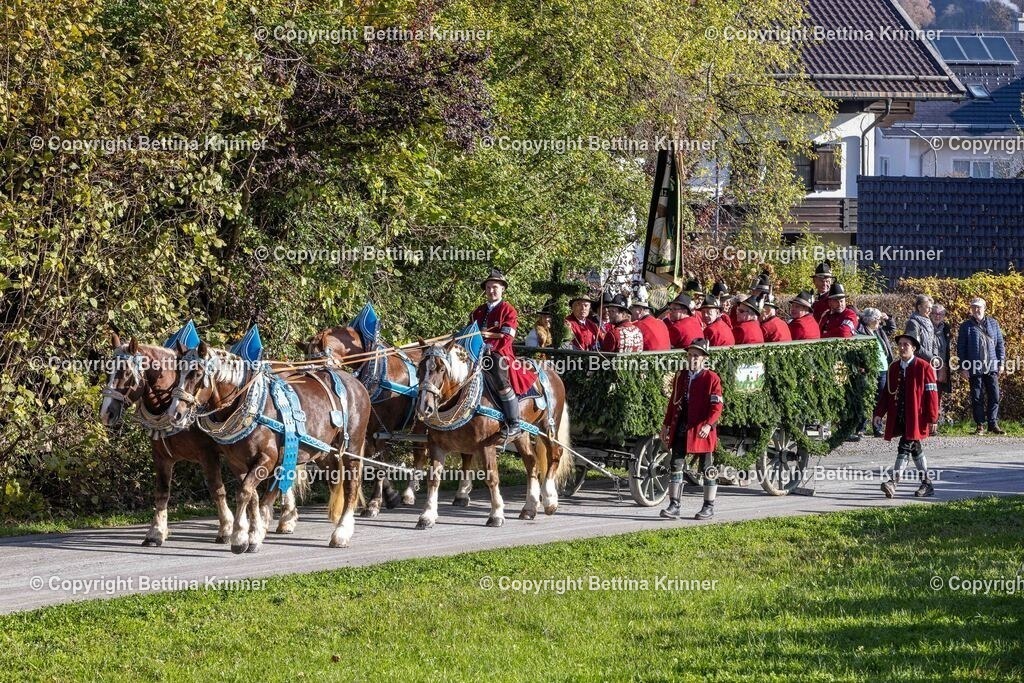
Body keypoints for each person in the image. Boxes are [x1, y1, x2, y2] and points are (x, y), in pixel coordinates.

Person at [659, 338, 724, 521]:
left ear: (704, 358)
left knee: (707, 467)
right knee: (676, 464)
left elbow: (717, 406)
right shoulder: (682, 376)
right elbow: (673, 403)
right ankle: (674, 505)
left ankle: (708, 506)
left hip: (702, 428)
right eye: (689, 355)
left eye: (696, 356)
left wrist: (708, 424)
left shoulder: (712, 378)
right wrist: (666, 425)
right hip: (682, 424)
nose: (692, 359)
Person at [471, 268, 538, 438]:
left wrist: (490, 342)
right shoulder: (477, 312)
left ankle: (513, 422)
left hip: (500, 352)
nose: (491, 290)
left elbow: (507, 336)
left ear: (502, 289)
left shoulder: (508, 310)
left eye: (495, 287)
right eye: (488, 288)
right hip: (475, 351)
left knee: (500, 376)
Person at [874, 330, 939, 498]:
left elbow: (932, 395)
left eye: (906, 345)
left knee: (904, 446)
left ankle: (893, 482)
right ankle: (927, 483)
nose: (902, 348)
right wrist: (879, 413)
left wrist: (933, 418)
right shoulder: (894, 367)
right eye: (900, 344)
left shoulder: (924, 367)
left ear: (914, 348)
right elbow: (887, 394)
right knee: (915, 449)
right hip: (900, 417)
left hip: (917, 417)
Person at [956, 297, 1006, 435]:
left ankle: (992, 423)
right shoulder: (965, 326)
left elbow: (1000, 344)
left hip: (992, 366)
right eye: (974, 307)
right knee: (977, 397)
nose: (976, 310)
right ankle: (980, 425)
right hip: (973, 366)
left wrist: (1001, 363)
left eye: (979, 307)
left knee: (994, 395)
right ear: (971, 309)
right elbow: (961, 348)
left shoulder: (994, 324)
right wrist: (963, 367)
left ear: (984, 308)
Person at [856, 308, 894, 439]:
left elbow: (892, 328)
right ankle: (860, 428)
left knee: (879, 400)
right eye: (877, 319)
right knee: (866, 399)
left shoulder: (879, 331)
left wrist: (887, 317)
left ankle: (877, 427)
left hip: (883, 369)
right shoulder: (860, 332)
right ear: (869, 320)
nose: (879, 321)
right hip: (869, 371)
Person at [930, 303, 952, 423]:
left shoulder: (946, 328)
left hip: (942, 365)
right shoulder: (927, 326)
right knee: (928, 393)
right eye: (935, 313)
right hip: (929, 364)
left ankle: (934, 421)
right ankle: (927, 422)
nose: (937, 316)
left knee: (938, 394)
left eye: (940, 314)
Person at [903, 294, 938, 364]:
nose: (930, 310)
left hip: (929, 361)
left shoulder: (929, 322)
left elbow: (934, 341)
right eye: (928, 307)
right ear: (919, 307)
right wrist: (931, 357)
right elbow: (914, 345)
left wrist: (935, 356)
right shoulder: (913, 323)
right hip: (918, 362)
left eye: (931, 308)